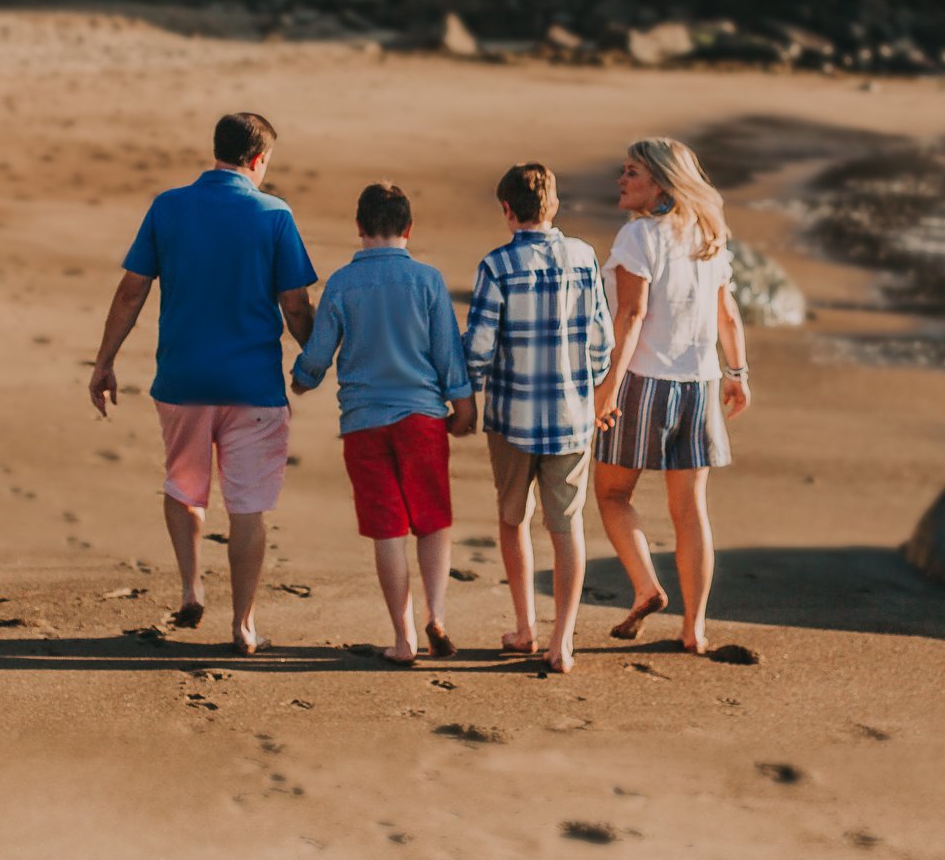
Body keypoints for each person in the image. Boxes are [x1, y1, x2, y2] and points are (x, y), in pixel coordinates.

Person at [90, 112, 317, 655]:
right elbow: (295, 305)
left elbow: (131, 292)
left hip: (183, 380)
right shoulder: (274, 214)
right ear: (259, 160)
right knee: (247, 508)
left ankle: (193, 588)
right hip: (254, 387)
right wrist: (321, 359)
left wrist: (104, 361)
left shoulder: (169, 207)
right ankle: (243, 624)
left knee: (183, 487)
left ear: (217, 149)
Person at [290, 182, 476, 667]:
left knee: (388, 529)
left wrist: (301, 381)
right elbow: (447, 352)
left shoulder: (341, 284)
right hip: (422, 416)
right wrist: (463, 405)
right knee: (433, 521)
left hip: (364, 422)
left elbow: (317, 356)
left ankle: (404, 636)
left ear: (359, 227)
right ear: (409, 229)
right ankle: (437, 615)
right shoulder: (428, 280)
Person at [593, 137, 750, 655]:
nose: (622, 180)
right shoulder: (709, 233)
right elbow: (727, 313)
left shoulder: (640, 237)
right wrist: (738, 372)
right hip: (701, 384)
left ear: (658, 181)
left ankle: (646, 587)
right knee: (691, 511)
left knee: (613, 494)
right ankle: (694, 630)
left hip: (645, 381)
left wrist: (608, 388)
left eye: (631, 171)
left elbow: (632, 316)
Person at [464, 162, 613, 675]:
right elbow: (601, 341)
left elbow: (479, 348)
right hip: (572, 415)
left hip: (512, 417)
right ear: (554, 207)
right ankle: (562, 640)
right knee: (567, 527)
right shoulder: (584, 257)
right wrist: (593, 387)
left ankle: (525, 626)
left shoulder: (496, 266)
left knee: (513, 518)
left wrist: (461, 390)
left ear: (508, 210)